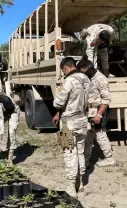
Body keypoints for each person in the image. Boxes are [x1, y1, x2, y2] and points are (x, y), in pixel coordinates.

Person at [52, 57, 90, 198]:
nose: (63, 73)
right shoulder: (86, 79)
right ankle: (80, 185)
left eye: (63, 70)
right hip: (82, 121)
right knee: (80, 152)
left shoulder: (69, 81)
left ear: (66, 68)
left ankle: (70, 187)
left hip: (69, 123)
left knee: (69, 154)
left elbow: (58, 102)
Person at [76, 58, 116, 167]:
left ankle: (109, 158)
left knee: (100, 135)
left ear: (86, 68)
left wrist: (99, 115)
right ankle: (86, 159)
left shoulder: (101, 79)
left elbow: (106, 100)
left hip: (98, 111)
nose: (81, 74)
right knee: (88, 135)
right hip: (89, 112)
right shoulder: (89, 78)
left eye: (82, 71)